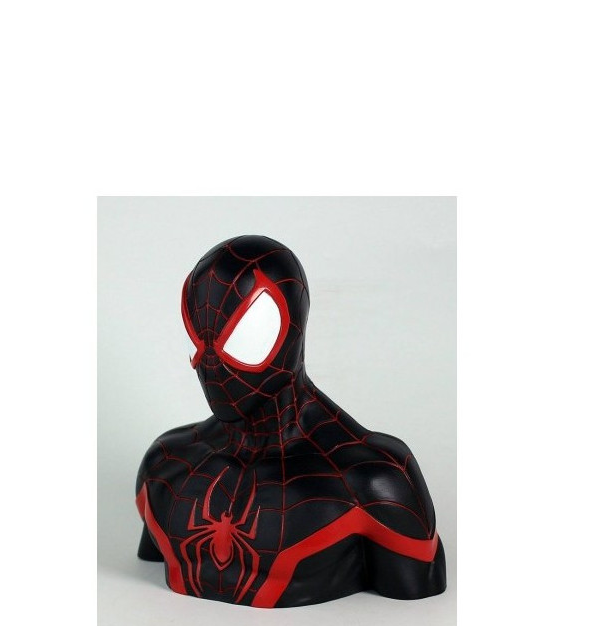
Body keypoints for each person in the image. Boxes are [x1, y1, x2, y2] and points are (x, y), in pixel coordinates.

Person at [136, 235, 447, 607]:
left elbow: (418, 603)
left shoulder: (375, 480)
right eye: (198, 339)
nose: (212, 364)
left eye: (243, 336)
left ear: (294, 331)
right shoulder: (165, 465)